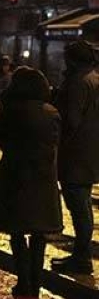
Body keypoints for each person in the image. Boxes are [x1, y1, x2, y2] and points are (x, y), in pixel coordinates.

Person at [0, 67, 63, 297]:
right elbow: (58, 140)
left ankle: (23, 282)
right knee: (40, 233)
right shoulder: (52, 113)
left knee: (17, 231)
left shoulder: (11, 111)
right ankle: (37, 281)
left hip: (15, 175)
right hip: (43, 177)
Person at [52, 40, 99, 275]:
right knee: (84, 206)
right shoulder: (94, 78)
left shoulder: (77, 83)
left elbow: (70, 121)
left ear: (71, 59)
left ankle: (82, 258)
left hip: (75, 155)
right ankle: (81, 255)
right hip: (89, 153)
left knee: (79, 207)